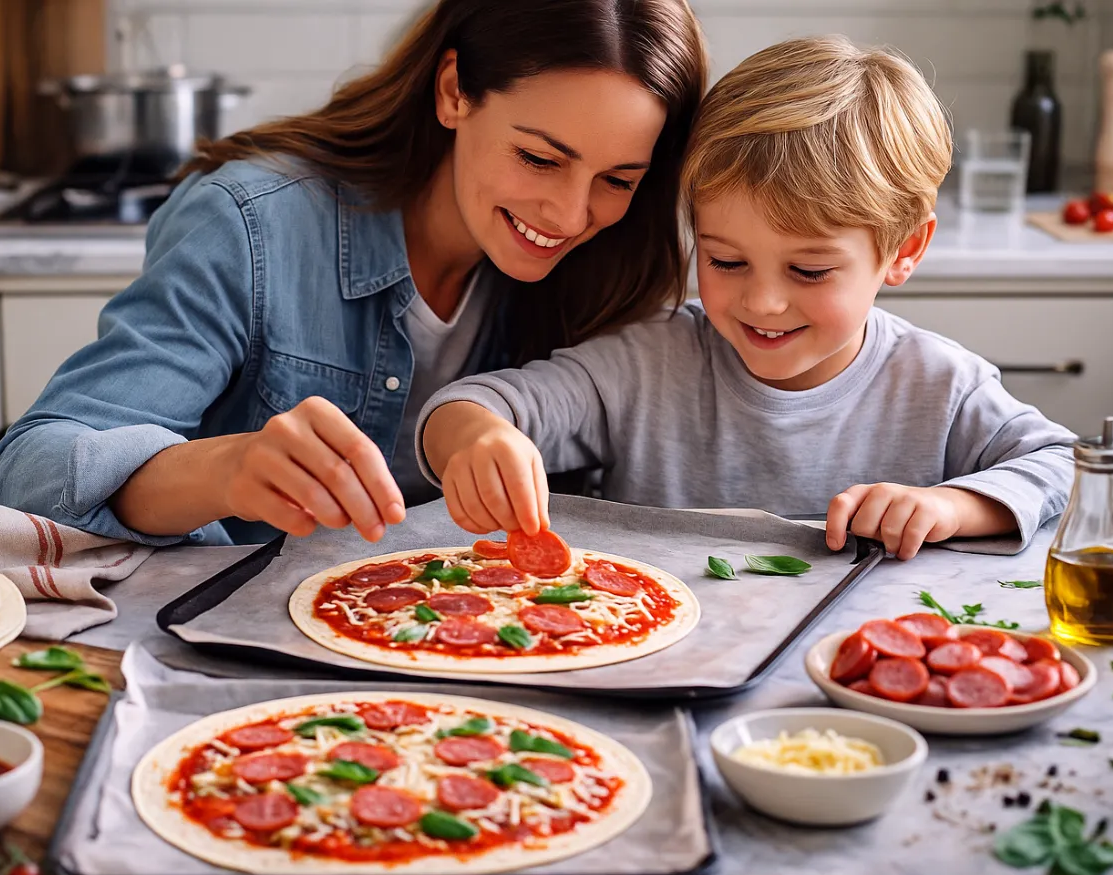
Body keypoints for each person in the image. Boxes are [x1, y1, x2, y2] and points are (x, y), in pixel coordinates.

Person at [0, 0, 706, 546]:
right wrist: (229, 469)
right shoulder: (251, 223)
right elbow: (26, 477)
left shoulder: (615, 264)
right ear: (454, 90)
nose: (572, 215)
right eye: (540, 159)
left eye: (617, 179)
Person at [418, 36, 1076, 560]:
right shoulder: (650, 364)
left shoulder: (939, 385)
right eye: (726, 260)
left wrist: (954, 507)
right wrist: (475, 435)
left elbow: (1064, 464)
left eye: (810, 271)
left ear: (903, 250)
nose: (762, 302)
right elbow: (469, 404)